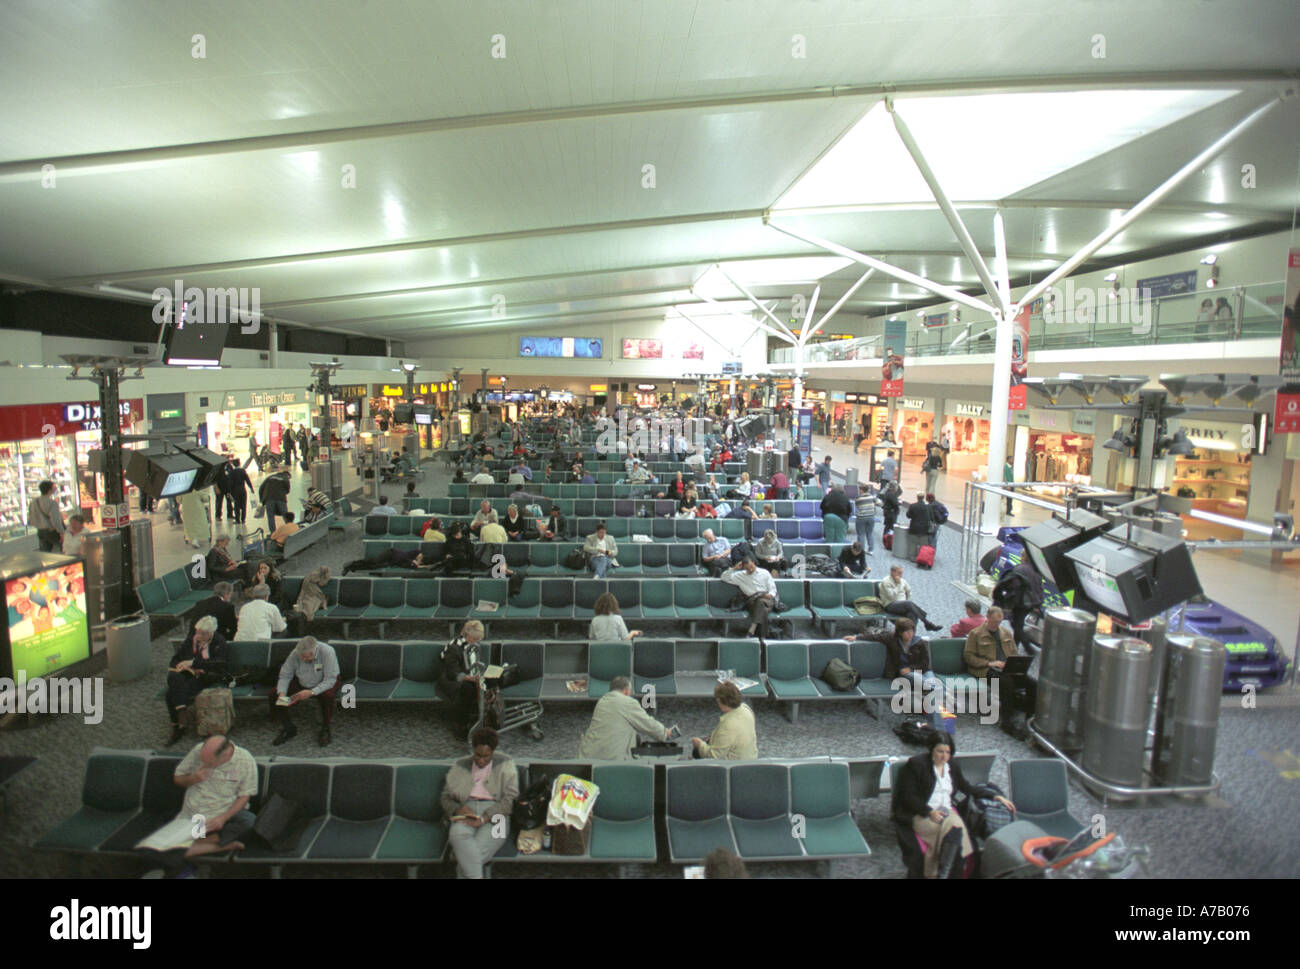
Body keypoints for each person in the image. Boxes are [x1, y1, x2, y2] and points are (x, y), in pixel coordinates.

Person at [894, 734, 1013, 878]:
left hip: (946, 810)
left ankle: (944, 873)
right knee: (955, 833)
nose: (944, 756)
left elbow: (966, 787)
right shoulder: (916, 765)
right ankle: (950, 873)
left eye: (947, 752)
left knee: (954, 830)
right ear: (932, 750)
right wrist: (930, 812)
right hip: (922, 813)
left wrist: (993, 795)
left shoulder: (952, 765)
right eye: (940, 751)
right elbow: (908, 797)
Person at [153, 736, 257, 858]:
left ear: (225, 755)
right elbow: (178, 779)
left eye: (208, 763)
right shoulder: (199, 751)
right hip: (196, 811)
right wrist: (192, 779)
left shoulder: (245, 761)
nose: (204, 764)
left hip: (224, 810)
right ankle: (218, 846)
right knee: (159, 848)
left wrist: (223, 818)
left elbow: (244, 796)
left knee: (249, 821)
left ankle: (186, 845)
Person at [441, 727, 519, 879]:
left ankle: (458, 852)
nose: (481, 761)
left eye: (486, 756)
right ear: (473, 749)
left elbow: (510, 801)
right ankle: (461, 852)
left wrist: (484, 817)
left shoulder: (506, 763)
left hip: (500, 816)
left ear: (493, 752)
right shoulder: (461, 765)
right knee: (456, 834)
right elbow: (445, 797)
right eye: (478, 755)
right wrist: (458, 808)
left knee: (467, 857)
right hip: (467, 809)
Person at [164, 616, 228, 746]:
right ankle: (181, 711)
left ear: (211, 633)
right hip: (188, 674)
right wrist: (180, 665)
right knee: (173, 676)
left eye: (202, 633)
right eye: (197, 632)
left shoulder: (219, 642)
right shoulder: (191, 640)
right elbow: (176, 658)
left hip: (206, 676)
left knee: (170, 694)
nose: (198, 635)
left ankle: (178, 726)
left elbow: (220, 664)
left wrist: (194, 663)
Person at [270, 636, 341, 747]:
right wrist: (282, 693)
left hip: (324, 681)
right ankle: (288, 727)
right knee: (274, 694)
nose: (303, 659)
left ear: (315, 650)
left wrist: (312, 692)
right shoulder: (295, 653)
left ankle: (326, 727)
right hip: (302, 680)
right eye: (301, 657)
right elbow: (285, 675)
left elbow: (330, 680)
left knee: (327, 697)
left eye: (307, 657)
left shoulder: (328, 651)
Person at [577, 675, 670, 759]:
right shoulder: (628, 702)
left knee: (628, 726)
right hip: (609, 758)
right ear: (626, 690)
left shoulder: (602, 701)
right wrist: (664, 732)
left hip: (587, 755)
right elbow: (647, 723)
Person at [440, 621, 487, 734]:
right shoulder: (454, 647)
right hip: (452, 680)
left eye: (479, 639)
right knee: (468, 689)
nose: (478, 641)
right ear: (467, 636)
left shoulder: (473, 645)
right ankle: (460, 724)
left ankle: (483, 717)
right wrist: (471, 678)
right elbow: (452, 673)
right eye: (475, 639)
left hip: (468, 675)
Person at [691, 680, 757, 760]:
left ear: (720, 702)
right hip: (750, 757)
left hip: (735, 764)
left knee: (696, 752)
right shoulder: (746, 708)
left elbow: (715, 755)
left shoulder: (728, 725)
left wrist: (699, 744)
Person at [721, 557, 778, 639]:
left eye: (751, 567)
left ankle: (752, 629)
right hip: (752, 601)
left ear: (754, 563)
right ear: (743, 568)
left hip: (767, 599)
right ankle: (762, 636)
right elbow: (724, 577)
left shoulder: (764, 573)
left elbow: (773, 589)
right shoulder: (740, 576)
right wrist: (734, 569)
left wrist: (770, 595)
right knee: (762, 607)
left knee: (761, 602)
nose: (750, 570)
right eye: (747, 568)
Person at [880, 564, 942, 631]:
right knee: (908, 604)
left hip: (903, 605)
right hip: (890, 605)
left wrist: (907, 600)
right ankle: (927, 623)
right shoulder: (886, 582)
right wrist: (898, 585)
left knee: (912, 614)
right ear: (892, 572)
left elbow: (909, 591)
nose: (901, 575)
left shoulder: (903, 581)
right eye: (899, 573)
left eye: (901, 573)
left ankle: (911, 635)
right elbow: (891, 596)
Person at [963, 606, 1020, 678]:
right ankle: (996, 689)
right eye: (994, 621)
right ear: (988, 617)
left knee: (1031, 683)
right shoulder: (975, 634)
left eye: (999, 622)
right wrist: (989, 663)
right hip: (984, 670)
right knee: (1003, 682)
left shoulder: (1006, 633)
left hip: (1004, 668)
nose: (997, 625)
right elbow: (968, 657)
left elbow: (1014, 652)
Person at [27, 480, 65, 552]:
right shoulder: (52, 503)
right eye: (54, 488)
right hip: (52, 531)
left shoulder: (33, 503)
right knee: (61, 551)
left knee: (45, 553)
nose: (55, 489)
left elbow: (31, 518)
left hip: (40, 531)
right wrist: (62, 532)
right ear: (50, 490)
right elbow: (56, 520)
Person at [226, 458, 253, 524]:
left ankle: (237, 520)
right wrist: (251, 488)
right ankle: (243, 519)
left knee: (236, 505)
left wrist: (229, 491)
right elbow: (247, 480)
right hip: (243, 489)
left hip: (235, 490)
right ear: (239, 463)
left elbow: (230, 483)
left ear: (233, 465)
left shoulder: (232, 472)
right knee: (244, 505)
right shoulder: (243, 471)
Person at [854, 485, 878, 553]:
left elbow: (857, 505)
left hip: (861, 517)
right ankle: (871, 550)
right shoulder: (872, 497)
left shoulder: (858, 498)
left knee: (861, 534)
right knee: (869, 533)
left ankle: (861, 550)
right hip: (871, 517)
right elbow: (878, 503)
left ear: (861, 490)